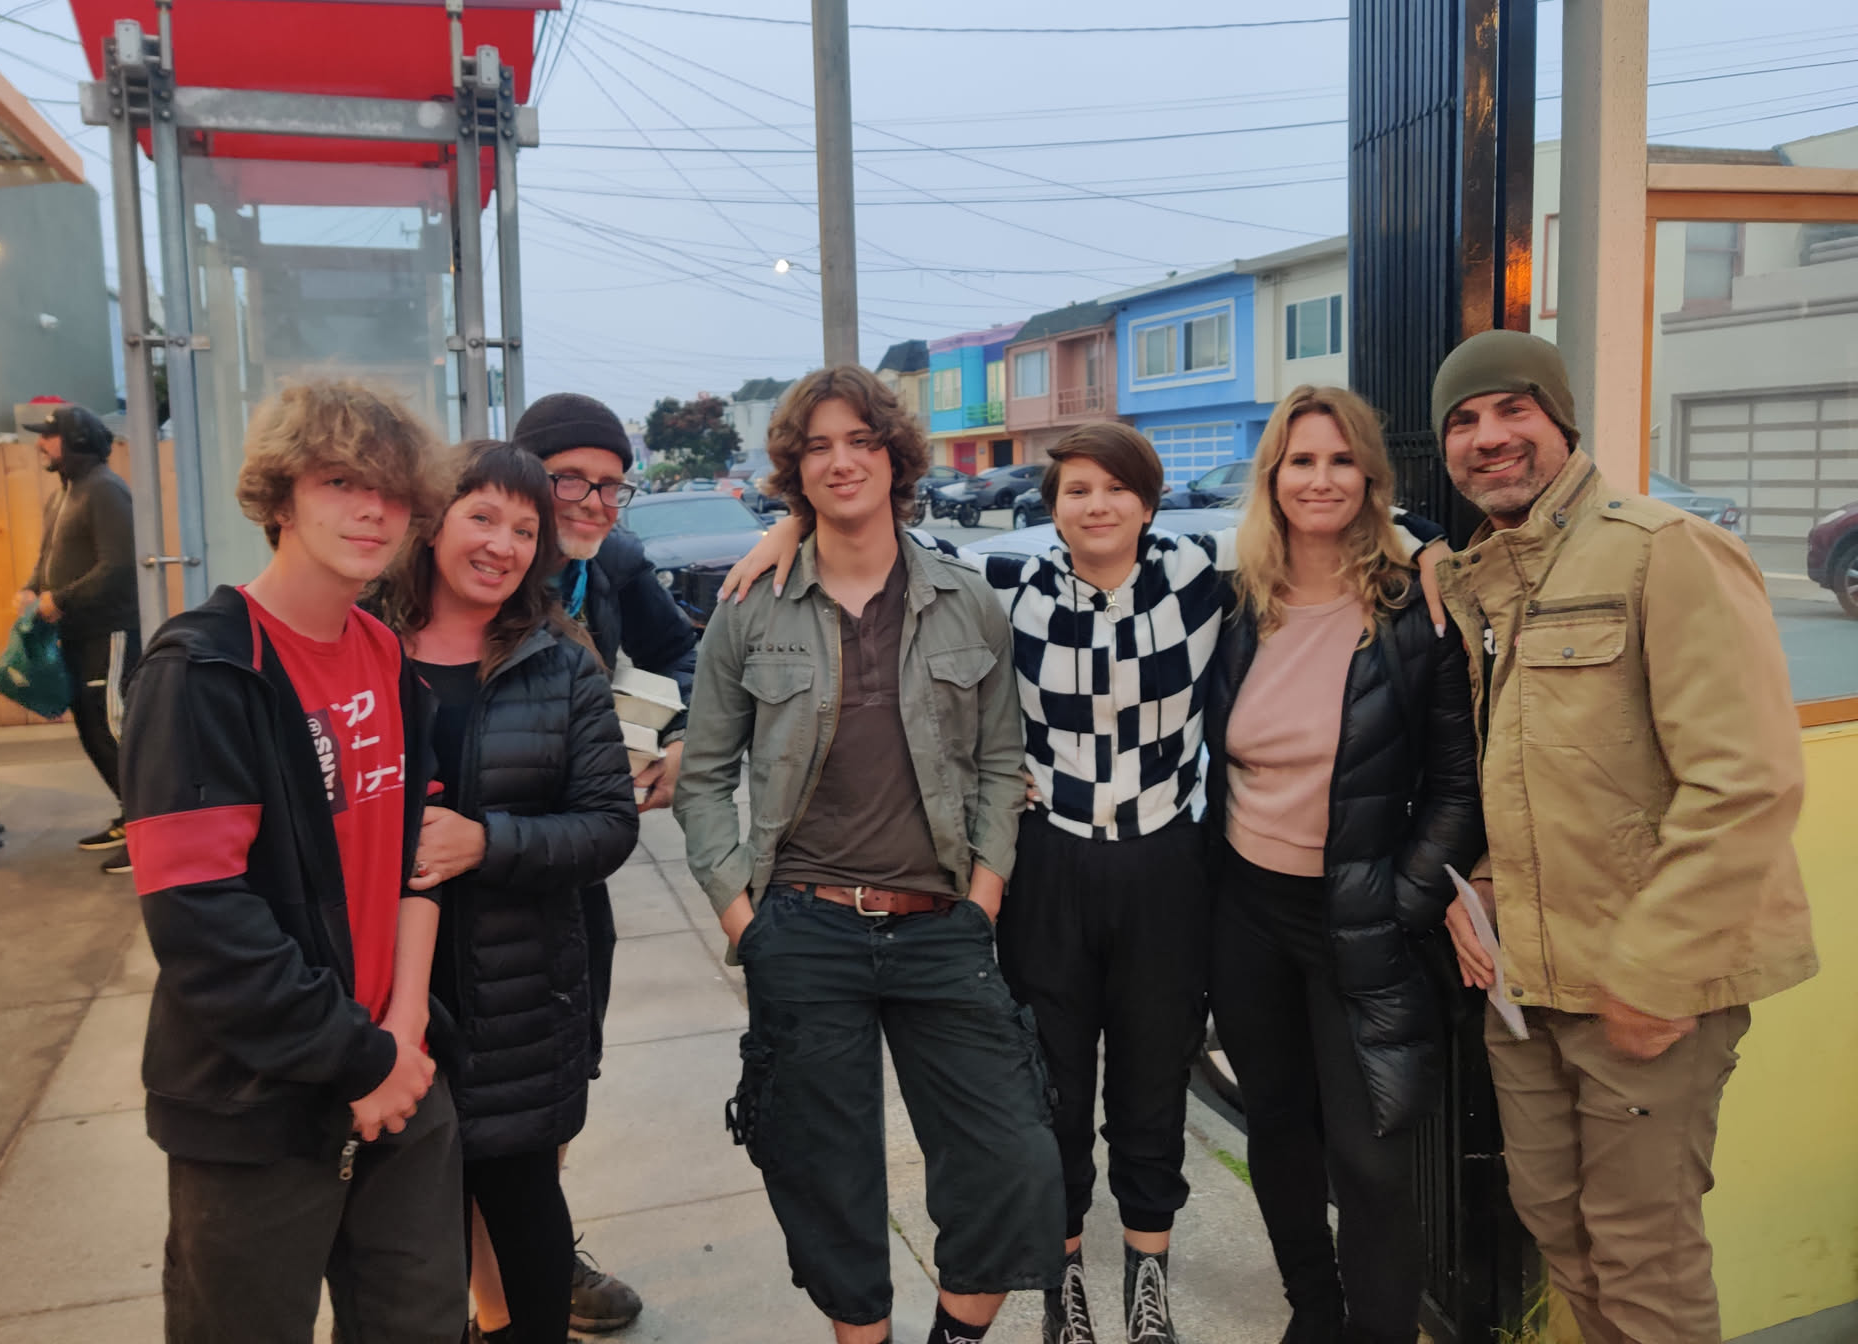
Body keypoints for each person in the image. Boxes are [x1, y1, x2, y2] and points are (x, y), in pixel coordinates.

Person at [722, 420, 1450, 1344]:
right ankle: (1063, 1289)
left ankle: (1148, 1287)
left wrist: (1429, 547)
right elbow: (886, 540)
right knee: (1053, 1089)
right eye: (1077, 490)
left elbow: (1323, 520)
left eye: (1118, 488)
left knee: (1153, 1085)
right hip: (1050, 864)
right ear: (1053, 506)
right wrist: (791, 525)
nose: (1098, 505)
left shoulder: (1201, 574)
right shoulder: (1008, 582)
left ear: (1148, 501)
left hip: (1164, 866)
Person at [1431, 331, 1816, 1344]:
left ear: (1561, 421)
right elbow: (1523, 768)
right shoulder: (1488, 580)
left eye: (1513, 409)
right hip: (1530, 985)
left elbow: (1748, 782)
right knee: (1561, 1232)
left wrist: (1655, 969)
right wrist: (1481, 884)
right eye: (1463, 421)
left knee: (1644, 1258)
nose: (1488, 437)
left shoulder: (1661, 548)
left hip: (1647, 991)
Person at [674, 363, 1065, 1344]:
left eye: (860, 440)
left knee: (1015, 1163)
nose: (840, 461)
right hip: (802, 928)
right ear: (794, 472)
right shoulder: (751, 607)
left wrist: (984, 897)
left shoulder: (966, 600)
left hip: (941, 927)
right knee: (826, 1178)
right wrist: (743, 920)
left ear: (896, 458)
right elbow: (703, 775)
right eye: (817, 446)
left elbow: (1001, 761)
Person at [119, 381, 466, 1344]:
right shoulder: (204, 671)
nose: (371, 511)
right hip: (257, 1101)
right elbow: (202, 922)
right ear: (280, 496)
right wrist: (357, 1058)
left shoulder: (384, 654)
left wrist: (402, 1032)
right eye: (340, 481)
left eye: (392, 491)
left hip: (401, 1073)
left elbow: (420, 853)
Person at [1200, 387, 1483, 1344]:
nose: (1319, 480)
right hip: (1247, 912)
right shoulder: (1234, 602)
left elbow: (1459, 788)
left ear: (1369, 477)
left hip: (1364, 914)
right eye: (1300, 461)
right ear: (1272, 477)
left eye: (1340, 461)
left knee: (1370, 1160)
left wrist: (1404, 901)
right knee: (1278, 1130)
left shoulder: (1416, 607)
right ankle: (1313, 1316)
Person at [376, 440, 639, 1344]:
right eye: (482, 517)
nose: (502, 545)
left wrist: (486, 843)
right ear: (432, 522)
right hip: (379, 991)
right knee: (407, 1240)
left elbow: (608, 825)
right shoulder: (361, 647)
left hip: (518, 995)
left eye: (525, 530)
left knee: (525, 1208)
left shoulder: (560, 665)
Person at [511, 390, 691, 1334]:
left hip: (577, 871)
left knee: (561, 1083)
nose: (594, 501)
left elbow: (684, 654)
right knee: (478, 1098)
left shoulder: (612, 564)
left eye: (612, 484)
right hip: (479, 877)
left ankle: (540, 1246)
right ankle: (483, 1282)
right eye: (569, 479)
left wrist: (673, 740)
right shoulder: (473, 567)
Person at [19, 403, 138, 869]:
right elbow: (47, 556)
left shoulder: (106, 490)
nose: (39, 445)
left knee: (115, 728)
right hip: (74, 633)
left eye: (47, 437)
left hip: (110, 631)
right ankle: (131, 817)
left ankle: (151, 832)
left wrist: (62, 598)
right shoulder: (64, 495)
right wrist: (32, 588)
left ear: (75, 442)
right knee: (91, 729)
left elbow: (120, 566)